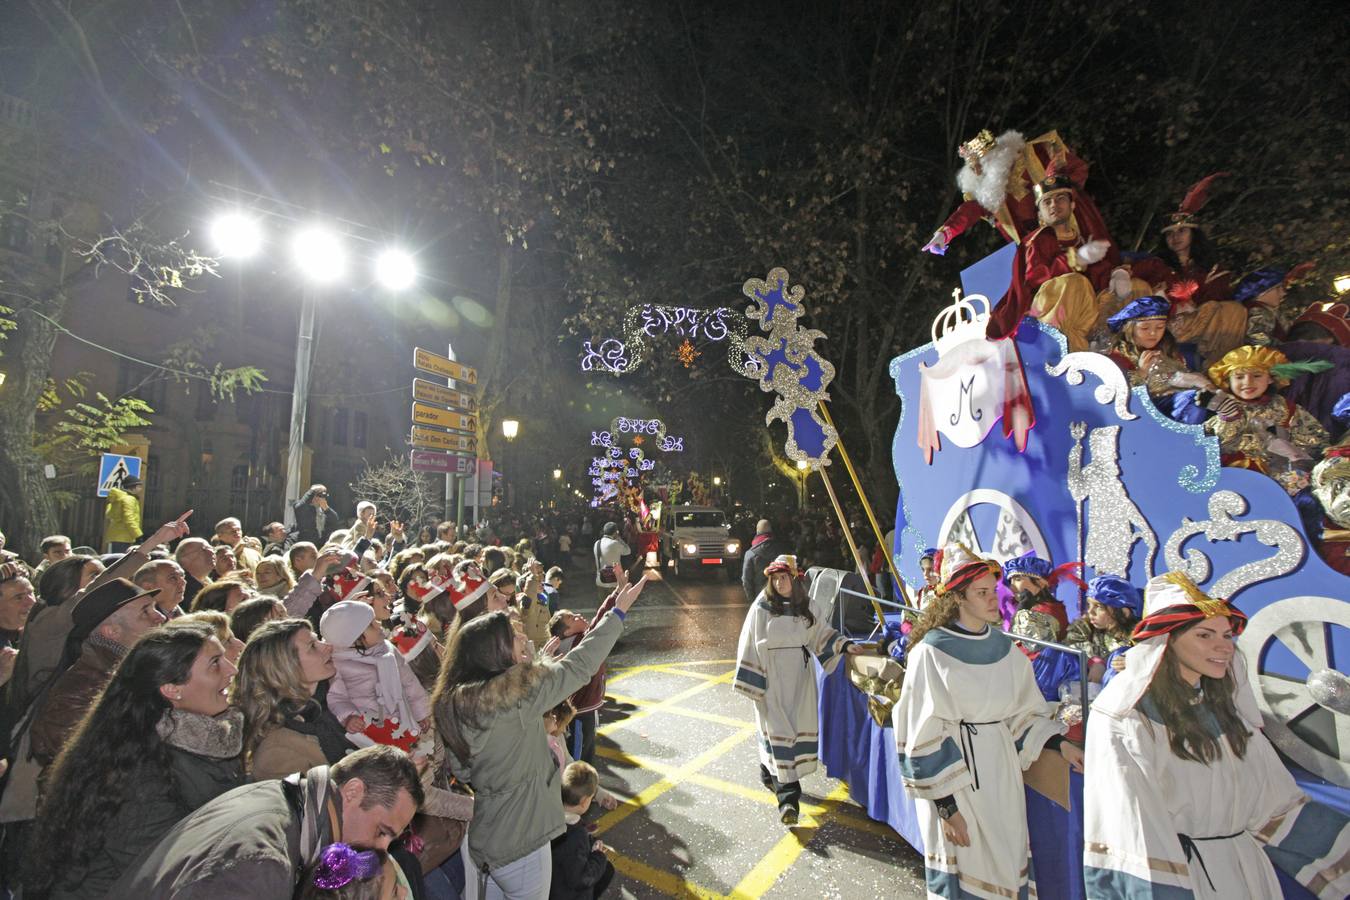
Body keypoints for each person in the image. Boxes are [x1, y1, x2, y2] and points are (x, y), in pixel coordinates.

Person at [1083, 571, 1350, 898]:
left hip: (1247, 872)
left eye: (1226, 636)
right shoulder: (1124, 717)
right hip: (1187, 877)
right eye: (1205, 635)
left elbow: (1275, 804)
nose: (1224, 647)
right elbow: (1133, 829)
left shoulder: (1225, 708)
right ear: (1167, 640)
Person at [433, 575, 649, 900]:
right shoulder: (517, 696)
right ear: (497, 651)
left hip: (483, 839)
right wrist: (616, 613)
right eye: (517, 641)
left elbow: (463, 772)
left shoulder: (454, 703)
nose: (525, 646)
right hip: (523, 844)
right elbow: (580, 666)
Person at [891, 544, 1083, 900]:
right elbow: (921, 734)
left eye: (993, 591)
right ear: (958, 598)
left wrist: (1060, 743)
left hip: (1002, 778)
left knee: (1006, 867)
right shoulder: (930, 652)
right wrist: (948, 809)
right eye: (982, 593)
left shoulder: (1004, 648)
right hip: (958, 782)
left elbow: (1023, 714)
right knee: (967, 869)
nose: (994, 599)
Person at [23, 623, 244, 898]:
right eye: (215, 663)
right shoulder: (135, 770)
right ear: (172, 689)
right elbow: (163, 873)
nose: (232, 669)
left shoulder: (208, 739)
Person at [110, 744, 423, 898]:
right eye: (381, 832)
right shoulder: (262, 862)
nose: (380, 850)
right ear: (353, 791)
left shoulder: (283, 799)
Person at [733, 555, 864, 825]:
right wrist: (756, 680)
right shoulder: (762, 607)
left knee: (791, 732)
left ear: (794, 579)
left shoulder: (807, 606)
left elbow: (821, 634)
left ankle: (769, 773)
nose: (780, 583)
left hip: (800, 679)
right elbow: (749, 641)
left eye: (784, 578)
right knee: (779, 732)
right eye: (776, 579)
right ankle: (789, 801)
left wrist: (844, 645)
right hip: (772, 680)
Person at [29, 578, 169, 768]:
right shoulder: (79, 692)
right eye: (145, 611)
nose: (161, 617)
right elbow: (88, 765)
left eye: (155, 607)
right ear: (112, 632)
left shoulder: (132, 671)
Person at [986, 158, 1120, 350]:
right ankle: (1057, 344)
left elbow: (1099, 275)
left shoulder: (1081, 239)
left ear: (1072, 205)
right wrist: (1076, 259)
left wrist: (1116, 275)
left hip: (1084, 312)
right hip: (1045, 308)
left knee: (1124, 292)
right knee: (1074, 282)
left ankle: (1103, 345)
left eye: (1060, 199)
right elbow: (1035, 276)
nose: (1053, 205)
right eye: (1047, 202)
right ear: (1040, 214)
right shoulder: (1038, 239)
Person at [1120, 173, 1247, 366]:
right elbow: (1126, 278)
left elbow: (1216, 304)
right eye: (1169, 234)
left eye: (1181, 231)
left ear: (1193, 234)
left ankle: (1223, 366)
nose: (1175, 237)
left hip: (1199, 324)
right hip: (1160, 324)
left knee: (1233, 310)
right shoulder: (1157, 264)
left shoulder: (1211, 269)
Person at [233, 617, 354, 780]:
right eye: (312, 646)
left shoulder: (332, 700)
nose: (327, 647)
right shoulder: (277, 751)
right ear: (283, 669)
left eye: (317, 639)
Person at [1203, 345, 1330, 494]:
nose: (1248, 383)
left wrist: (1294, 455)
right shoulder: (1222, 408)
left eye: (1257, 376)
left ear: (1270, 378)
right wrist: (1227, 418)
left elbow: (1315, 439)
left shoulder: (1285, 408)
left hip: (1282, 477)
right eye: (1239, 377)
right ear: (1227, 380)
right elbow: (1208, 447)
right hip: (1235, 477)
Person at [321, 600, 431, 755]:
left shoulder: (386, 649)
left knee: (421, 753)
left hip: (404, 715)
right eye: (372, 625)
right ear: (353, 638)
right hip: (375, 729)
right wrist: (349, 717)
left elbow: (408, 681)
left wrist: (421, 712)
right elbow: (337, 697)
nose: (379, 625)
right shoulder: (338, 664)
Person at [1104, 296, 1220, 422]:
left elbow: (1179, 379)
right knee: (1193, 398)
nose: (1153, 333)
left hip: (1178, 408)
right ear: (1129, 328)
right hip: (1144, 417)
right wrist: (1141, 373)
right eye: (1145, 328)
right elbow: (1114, 399)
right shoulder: (1116, 359)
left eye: (1160, 327)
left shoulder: (1170, 353)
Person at [549, 761, 615, 900]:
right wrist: (598, 856)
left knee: (607, 870)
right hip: (567, 894)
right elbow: (582, 879)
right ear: (584, 801)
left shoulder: (552, 816)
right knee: (605, 870)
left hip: (551, 885)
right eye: (592, 798)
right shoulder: (575, 835)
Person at [1062, 575, 1140, 686]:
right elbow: (1071, 644)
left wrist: (1132, 662)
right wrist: (1095, 661)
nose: (1090, 612)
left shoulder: (1138, 636)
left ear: (1124, 612)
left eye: (1099, 606)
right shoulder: (1084, 627)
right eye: (1089, 604)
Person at [740, 518, 787, 603]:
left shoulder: (750, 554)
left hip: (760, 597)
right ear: (771, 531)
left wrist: (752, 600)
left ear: (757, 532)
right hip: (780, 597)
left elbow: (746, 580)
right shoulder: (782, 550)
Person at [104, 474, 144, 552]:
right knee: (122, 561)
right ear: (132, 487)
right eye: (139, 486)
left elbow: (109, 514)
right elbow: (129, 519)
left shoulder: (118, 499)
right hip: (124, 536)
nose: (140, 489)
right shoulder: (129, 499)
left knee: (116, 560)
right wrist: (138, 535)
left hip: (117, 536)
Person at [175, 536, 217, 607]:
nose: (211, 552)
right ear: (184, 559)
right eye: (204, 549)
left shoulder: (210, 584)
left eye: (211, 548)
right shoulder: (180, 588)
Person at [592, 522, 629, 598]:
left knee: (602, 605)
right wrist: (619, 539)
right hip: (614, 581)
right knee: (615, 606)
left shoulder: (597, 543)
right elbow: (628, 551)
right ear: (616, 532)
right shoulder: (615, 543)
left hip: (600, 579)